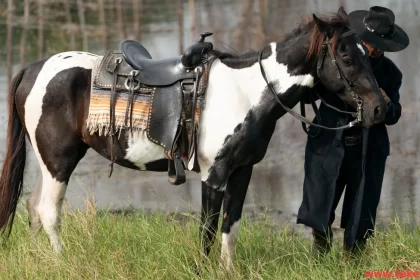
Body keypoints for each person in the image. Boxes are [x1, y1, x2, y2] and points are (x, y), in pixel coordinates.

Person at [296, 6, 410, 254]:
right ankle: (319, 261)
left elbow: (394, 114)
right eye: (371, 43)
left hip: (368, 152)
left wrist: (388, 104)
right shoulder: (335, 57)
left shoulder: (391, 73)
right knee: (320, 212)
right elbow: (306, 97)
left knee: (361, 217)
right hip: (328, 147)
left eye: (380, 44)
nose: (375, 48)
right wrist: (306, 77)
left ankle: (353, 264)